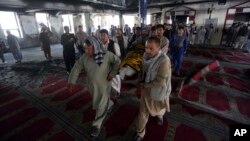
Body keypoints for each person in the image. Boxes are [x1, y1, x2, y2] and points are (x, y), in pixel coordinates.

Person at [68, 36, 120, 138]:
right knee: (99, 99)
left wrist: (113, 73)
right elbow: (76, 67)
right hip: (92, 86)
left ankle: (96, 125)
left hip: (104, 84)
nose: (86, 50)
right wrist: (71, 81)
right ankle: (110, 103)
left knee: (100, 105)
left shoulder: (107, 55)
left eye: (88, 48)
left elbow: (117, 62)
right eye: (85, 48)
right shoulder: (84, 57)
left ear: (95, 46)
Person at [134, 36, 172, 141]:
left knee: (159, 108)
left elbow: (160, 81)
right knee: (142, 112)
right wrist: (139, 79)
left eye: (151, 48)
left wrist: (145, 85)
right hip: (146, 90)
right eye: (146, 47)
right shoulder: (145, 56)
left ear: (159, 48)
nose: (148, 50)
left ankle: (159, 116)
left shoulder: (164, 61)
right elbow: (141, 70)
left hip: (158, 90)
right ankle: (140, 133)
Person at [99, 29, 121, 96]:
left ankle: (117, 92)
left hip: (113, 65)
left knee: (116, 79)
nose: (102, 37)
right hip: (104, 66)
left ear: (108, 35)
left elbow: (118, 57)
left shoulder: (114, 44)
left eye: (104, 35)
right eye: (101, 36)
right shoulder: (99, 45)